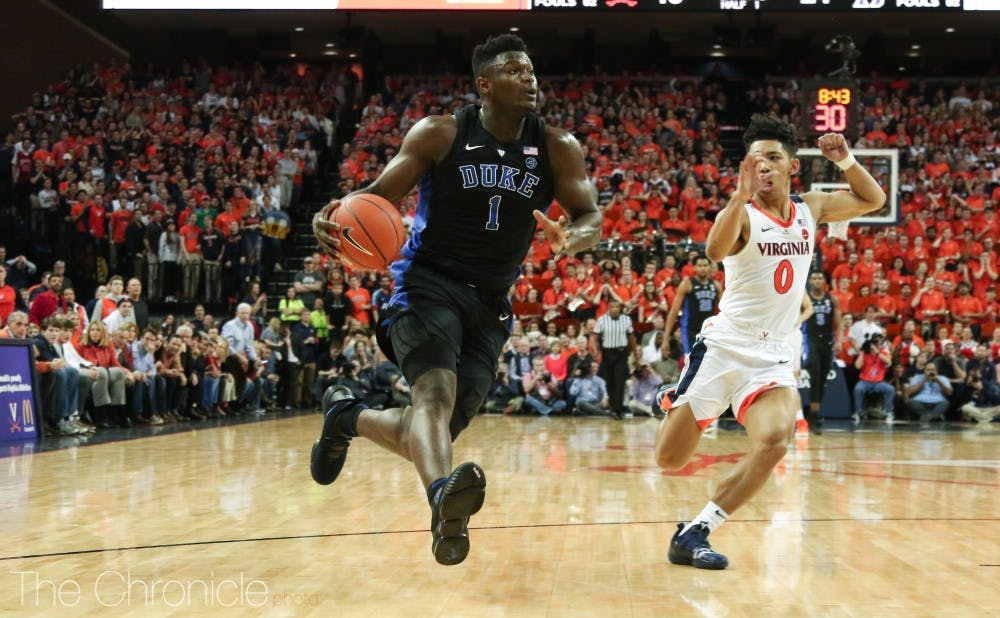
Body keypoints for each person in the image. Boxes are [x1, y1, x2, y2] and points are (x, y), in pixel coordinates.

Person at [310, 34, 601, 566]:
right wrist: (328, 217)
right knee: (434, 398)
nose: (529, 78)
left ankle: (346, 417)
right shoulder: (441, 134)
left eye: (532, 70)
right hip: (426, 281)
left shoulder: (558, 146)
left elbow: (591, 218)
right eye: (515, 70)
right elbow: (371, 200)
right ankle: (443, 499)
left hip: (491, 301)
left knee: (436, 428)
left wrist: (571, 238)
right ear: (484, 84)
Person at [652, 115, 885, 570]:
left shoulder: (810, 207)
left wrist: (845, 159)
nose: (764, 167)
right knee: (669, 460)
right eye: (756, 160)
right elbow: (713, 253)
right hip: (723, 351)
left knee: (777, 438)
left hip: (773, 357)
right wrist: (736, 199)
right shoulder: (738, 214)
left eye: (774, 158)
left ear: (792, 167)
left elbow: (873, 199)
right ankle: (673, 398)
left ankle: (696, 531)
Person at [803, 271, 841, 434]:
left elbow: (838, 323)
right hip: (810, 339)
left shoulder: (832, 299)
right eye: (814, 278)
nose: (817, 281)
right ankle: (814, 414)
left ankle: (812, 410)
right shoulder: (805, 299)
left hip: (827, 340)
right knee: (815, 372)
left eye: (820, 278)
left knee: (823, 377)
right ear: (810, 281)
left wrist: (839, 341)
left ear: (825, 281)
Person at [662, 254, 722, 356]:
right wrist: (665, 338)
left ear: (709, 267)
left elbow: (723, 311)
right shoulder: (687, 284)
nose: (703, 268)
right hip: (690, 330)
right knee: (691, 362)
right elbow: (674, 311)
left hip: (709, 330)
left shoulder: (716, 285)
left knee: (709, 363)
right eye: (699, 265)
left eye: (705, 265)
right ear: (694, 267)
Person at [590, 299, 639, 419]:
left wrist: (635, 352)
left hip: (621, 354)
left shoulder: (626, 319)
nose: (615, 309)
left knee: (620, 380)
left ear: (620, 308)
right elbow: (594, 337)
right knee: (608, 381)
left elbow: (631, 337)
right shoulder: (602, 320)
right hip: (607, 354)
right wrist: (595, 350)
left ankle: (618, 409)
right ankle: (611, 407)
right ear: (608, 308)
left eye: (617, 307)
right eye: (612, 307)